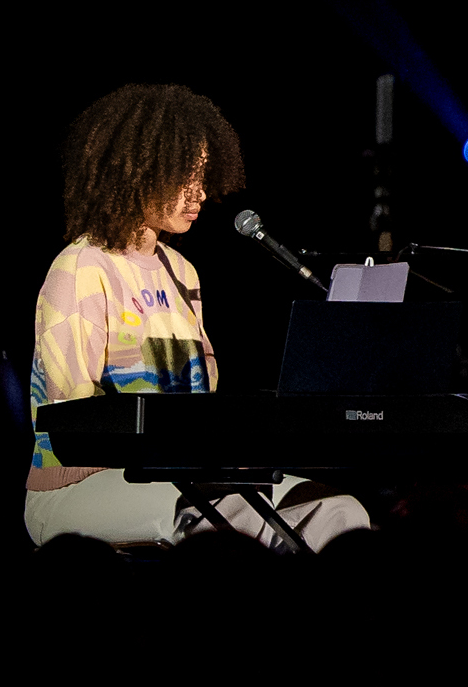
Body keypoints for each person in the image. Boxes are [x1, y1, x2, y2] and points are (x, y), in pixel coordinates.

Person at [26, 83, 368, 549]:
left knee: (340, 512)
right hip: (79, 486)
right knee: (221, 516)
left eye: (202, 175)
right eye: (184, 176)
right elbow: (73, 419)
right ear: (138, 171)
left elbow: (201, 402)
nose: (201, 192)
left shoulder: (181, 272)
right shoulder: (81, 267)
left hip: (178, 473)